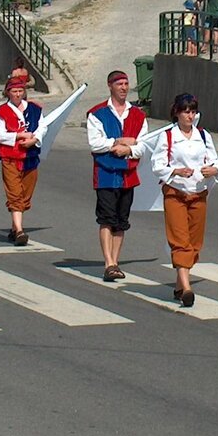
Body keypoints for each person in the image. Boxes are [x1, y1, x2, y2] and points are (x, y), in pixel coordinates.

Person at [150, 93, 218, 308]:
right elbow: (157, 165)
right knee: (179, 239)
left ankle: (180, 284)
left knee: (194, 241)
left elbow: (215, 162)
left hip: (199, 193)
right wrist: (176, 171)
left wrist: (212, 170)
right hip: (176, 193)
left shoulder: (204, 135)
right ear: (177, 113)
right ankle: (187, 288)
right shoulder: (168, 136)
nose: (189, 116)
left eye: (192, 111)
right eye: (185, 111)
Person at [87, 70, 148, 282]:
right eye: (119, 84)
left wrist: (129, 150)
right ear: (110, 86)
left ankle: (115, 260)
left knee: (121, 221)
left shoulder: (138, 115)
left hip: (128, 175)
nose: (123, 87)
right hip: (105, 173)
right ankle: (108, 263)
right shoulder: (97, 113)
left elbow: (143, 145)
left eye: (126, 83)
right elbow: (95, 143)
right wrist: (120, 141)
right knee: (106, 218)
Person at [0, 77, 48, 246]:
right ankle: (19, 230)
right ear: (7, 92)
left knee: (25, 193)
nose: (17, 95)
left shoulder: (35, 109)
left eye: (20, 91)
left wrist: (34, 139)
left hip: (30, 156)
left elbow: (42, 126)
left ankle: (14, 227)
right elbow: (0, 135)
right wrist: (19, 135)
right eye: (14, 91)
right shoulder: (1, 111)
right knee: (15, 193)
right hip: (10, 157)